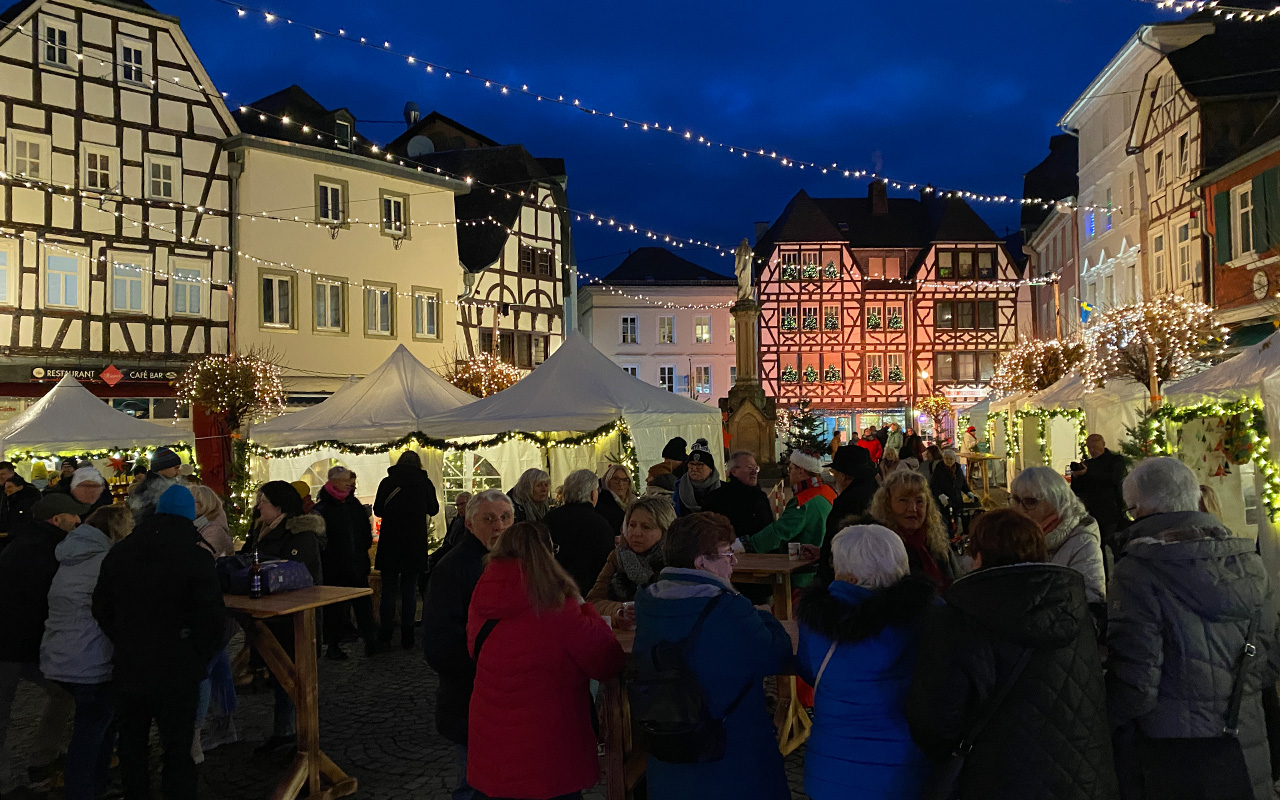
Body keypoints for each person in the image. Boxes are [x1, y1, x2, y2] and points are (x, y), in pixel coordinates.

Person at [907, 509, 1117, 800]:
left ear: (979, 556)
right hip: (1081, 777)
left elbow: (935, 721)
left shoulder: (958, 618)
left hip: (996, 778)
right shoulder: (1072, 608)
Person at [1108, 457, 1280, 800]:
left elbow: (1137, 684)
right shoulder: (1251, 563)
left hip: (1173, 751)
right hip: (1243, 740)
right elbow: (1269, 661)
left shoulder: (1138, 571)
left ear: (1140, 509)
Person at [633, 512, 793, 800]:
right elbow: (776, 654)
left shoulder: (647, 601)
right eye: (726, 554)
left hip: (669, 749)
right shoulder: (729, 608)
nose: (733, 561)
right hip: (731, 754)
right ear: (701, 562)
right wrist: (766, 618)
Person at [465, 522, 625, 800]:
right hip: (548, 749)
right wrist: (585, 606)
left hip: (491, 742)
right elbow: (605, 661)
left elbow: (473, 648)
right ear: (548, 553)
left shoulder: (483, 594)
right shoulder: (557, 605)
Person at [92, 485, 225, 800]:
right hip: (177, 667)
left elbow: (101, 606)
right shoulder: (195, 555)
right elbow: (210, 617)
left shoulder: (121, 551)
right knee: (177, 747)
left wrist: (124, 637)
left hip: (130, 664)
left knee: (132, 744)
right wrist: (197, 654)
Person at [796, 525, 934, 800]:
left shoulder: (819, 625)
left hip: (832, 776)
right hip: (909, 772)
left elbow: (809, 672)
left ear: (848, 576)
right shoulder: (932, 618)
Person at [422, 489, 514, 800]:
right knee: (474, 784)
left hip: (509, 695)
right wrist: (486, 668)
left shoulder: (517, 563)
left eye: (505, 518)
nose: (498, 526)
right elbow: (439, 643)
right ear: (470, 524)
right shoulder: (452, 569)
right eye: (488, 519)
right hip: (470, 696)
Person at [40, 505, 133, 800]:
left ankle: (98, 785)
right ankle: (82, 791)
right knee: (88, 735)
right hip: (91, 660)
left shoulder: (71, 557)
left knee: (101, 726)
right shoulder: (107, 561)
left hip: (61, 653)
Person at [0, 494, 85, 798]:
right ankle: (8, 783)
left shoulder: (40, 544)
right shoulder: (42, 551)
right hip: (10, 645)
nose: (78, 521)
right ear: (56, 519)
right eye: (73, 516)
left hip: (26, 643)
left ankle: (44, 758)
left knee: (64, 694)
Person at [249, 481, 327, 754]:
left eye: (264, 501)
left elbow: (301, 578)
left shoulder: (300, 535)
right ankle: (285, 734)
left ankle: (298, 741)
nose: (258, 505)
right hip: (271, 618)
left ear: (279, 506)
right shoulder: (262, 529)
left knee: (293, 680)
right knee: (280, 678)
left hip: (293, 620)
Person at [818, 468, 961, 590]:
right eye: (903, 500)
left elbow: (955, 583)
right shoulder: (874, 546)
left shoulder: (936, 542)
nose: (913, 509)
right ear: (887, 504)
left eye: (919, 501)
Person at [1009, 467, 1106, 607]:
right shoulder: (1018, 534)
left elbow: (1092, 599)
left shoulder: (1082, 541)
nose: (1021, 509)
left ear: (1054, 501)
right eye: (1016, 500)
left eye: (1030, 501)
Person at [738, 449, 834, 588]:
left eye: (791, 468)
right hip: (821, 571)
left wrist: (747, 544)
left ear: (801, 471)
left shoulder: (803, 501)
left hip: (802, 576)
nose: (789, 473)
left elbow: (780, 531)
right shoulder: (827, 491)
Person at [373, 451, 440, 648]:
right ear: (418, 464)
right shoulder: (424, 483)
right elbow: (434, 509)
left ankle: (386, 633)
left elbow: (378, 510)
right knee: (409, 590)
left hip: (390, 542)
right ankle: (407, 635)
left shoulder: (388, 482)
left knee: (388, 589)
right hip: (414, 542)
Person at [314, 467, 377, 660]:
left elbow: (364, 531)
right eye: (346, 482)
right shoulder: (323, 508)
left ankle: (372, 643)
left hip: (356, 564)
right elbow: (321, 540)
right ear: (333, 482)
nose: (350, 485)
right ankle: (333, 645)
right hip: (334, 567)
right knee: (336, 610)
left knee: (363, 605)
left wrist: (361, 550)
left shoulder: (353, 503)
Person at [587, 495, 676, 621]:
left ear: (664, 531)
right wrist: (621, 610)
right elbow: (593, 601)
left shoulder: (673, 562)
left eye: (646, 527)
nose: (635, 533)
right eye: (632, 525)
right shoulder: (618, 556)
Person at [544, 469, 616, 594]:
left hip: (552, 590)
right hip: (586, 592)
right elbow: (604, 565)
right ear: (593, 494)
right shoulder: (599, 524)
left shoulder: (549, 519)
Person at [1070, 434, 1129, 549]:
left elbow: (1113, 479)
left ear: (1103, 444)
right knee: (1097, 548)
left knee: (1117, 547)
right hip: (1093, 511)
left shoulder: (1115, 460)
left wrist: (1087, 474)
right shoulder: (1087, 465)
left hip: (1111, 511)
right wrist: (1076, 477)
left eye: (1095, 447)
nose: (1092, 450)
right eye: (1089, 448)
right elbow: (1077, 490)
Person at [702, 450, 774, 542]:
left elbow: (769, 530)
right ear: (734, 471)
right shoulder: (717, 498)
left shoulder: (761, 497)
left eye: (756, 468)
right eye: (749, 467)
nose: (754, 472)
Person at [825, 445, 878, 542]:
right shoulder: (875, 491)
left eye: (833, 473)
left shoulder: (848, 501)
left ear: (843, 476)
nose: (834, 478)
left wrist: (825, 554)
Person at [127, 446, 184, 525]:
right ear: (162, 468)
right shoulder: (153, 488)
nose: (179, 472)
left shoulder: (154, 484)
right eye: (176, 468)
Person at [673, 438, 722, 516]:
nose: (694, 469)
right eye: (691, 464)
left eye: (699, 465)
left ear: (711, 468)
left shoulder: (722, 489)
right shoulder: (678, 487)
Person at [930, 448, 972, 535]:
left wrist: (968, 492)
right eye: (946, 458)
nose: (949, 461)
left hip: (956, 501)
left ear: (955, 459)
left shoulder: (958, 469)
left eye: (951, 459)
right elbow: (934, 485)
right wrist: (941, 495)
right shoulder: (939, 469)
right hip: (944, 503)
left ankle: (954, 540)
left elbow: (962, 483)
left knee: (955, 523)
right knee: (945, 524)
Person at [430, 492, 472, 574]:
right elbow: (448, 543)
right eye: (457, 505)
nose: (459, 508)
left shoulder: (473, 523)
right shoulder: (456, 521)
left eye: (462, 504)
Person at [189, 485, 234, 558]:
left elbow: (203, 559)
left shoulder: (214, 530)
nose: (187, 505)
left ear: (204, 504)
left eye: (191, 502)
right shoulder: (199, 524)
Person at [594, 463, 634, 535]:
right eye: (616, 479)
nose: (620, 483)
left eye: (625, 480)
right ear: (608, 482)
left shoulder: (634, 502)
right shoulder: (602, 504)